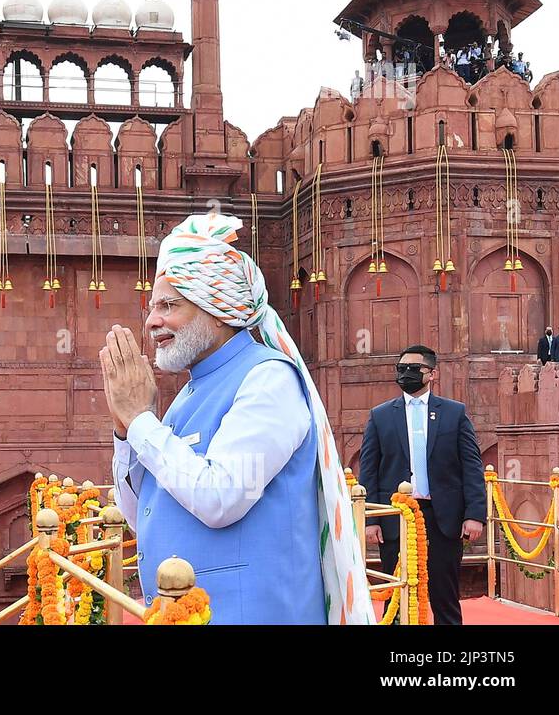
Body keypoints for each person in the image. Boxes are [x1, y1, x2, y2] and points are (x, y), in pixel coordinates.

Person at [104, 212, 371, 624]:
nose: (152, 320)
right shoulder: (189, 395)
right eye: (153, 307)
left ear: (217, 310)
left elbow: (221, 497)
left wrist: (141, 420)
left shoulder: (268, 379)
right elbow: (142, 513)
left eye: (168, 305)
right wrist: (126, 431)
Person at [359, 346, 485, 625]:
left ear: (432, 374)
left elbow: (472, 466)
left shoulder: (454, 413)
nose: (406, 374)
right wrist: (371, 519)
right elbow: (368, 470)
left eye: (414, 369)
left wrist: (475, 515)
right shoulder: (380, 416)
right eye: (401, 368)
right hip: (395, 519)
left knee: (444, 594)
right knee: (395, 594)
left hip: (443, 518)